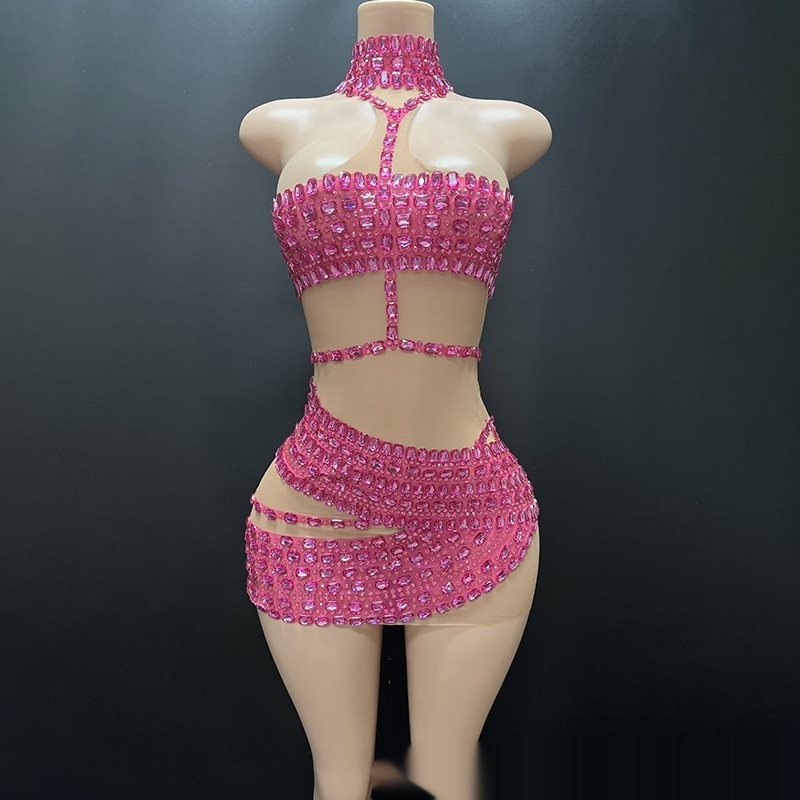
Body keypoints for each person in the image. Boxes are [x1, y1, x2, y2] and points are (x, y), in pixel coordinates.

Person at [239, 2, 552, 798]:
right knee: (339, 781)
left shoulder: (512, 127)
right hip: (315, 504)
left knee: (446, 776)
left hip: (470, 506)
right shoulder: (276, 126)